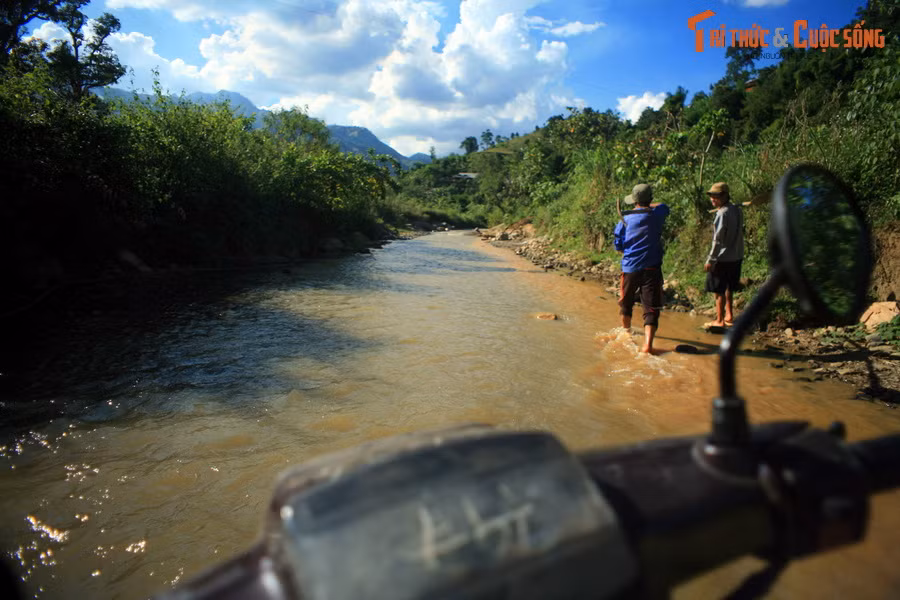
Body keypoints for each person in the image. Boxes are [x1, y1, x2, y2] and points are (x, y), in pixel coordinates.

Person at [613, 183, 670, 353]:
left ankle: (627, 334)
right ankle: (648, 345)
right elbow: (664, 207)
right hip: (652, 267)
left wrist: (640, 207)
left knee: (626, 301)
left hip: (630, 267)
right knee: (651, 306)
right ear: (650, 199)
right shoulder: (657, 215)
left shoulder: (625, 219)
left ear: (635, 201)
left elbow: (618, 244)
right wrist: (646, 205)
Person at [703, 182, 745, 328]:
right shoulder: (737, 210)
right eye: (712, 196)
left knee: (718, 290)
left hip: (722, 258)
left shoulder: (722, 214)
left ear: (725, 196)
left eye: (717, 197)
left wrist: (711, 259)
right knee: (729, 287)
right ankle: (729, 316)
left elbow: (718, 239)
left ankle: (719, 320)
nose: (713, 199)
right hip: (736, 256)